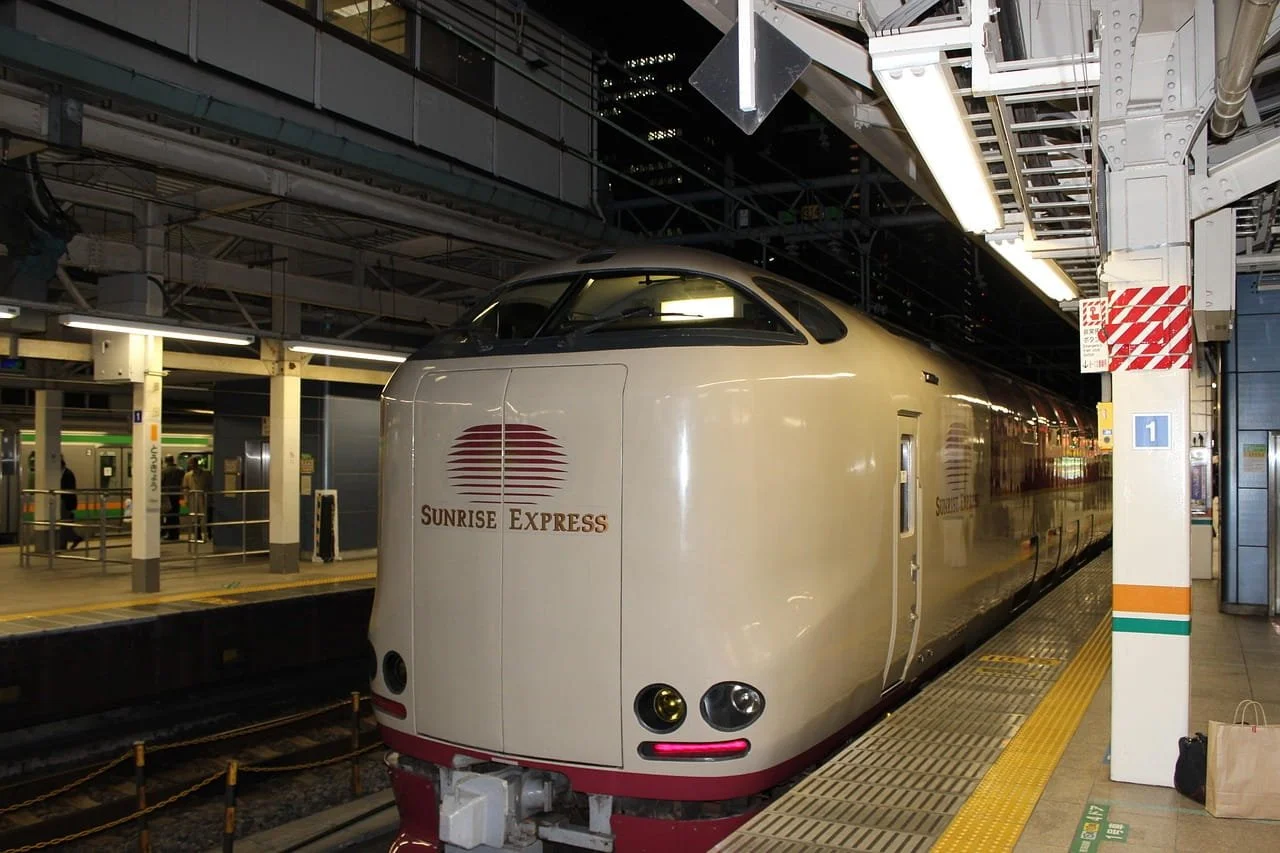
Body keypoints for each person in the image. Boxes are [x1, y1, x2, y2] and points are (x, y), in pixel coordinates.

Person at [182, 457, 213, 543]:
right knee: (195, 518)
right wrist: (186, 500)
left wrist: (210, 497)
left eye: (192, 463)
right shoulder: (187, 475)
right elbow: (185, 488)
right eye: (189, 463)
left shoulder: (206, 474)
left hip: (204, 498)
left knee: (206, 517)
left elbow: (211, 486)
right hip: (193, 499)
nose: (191, 465)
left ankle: (209, 533)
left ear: (196, 463)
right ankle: (198, 535)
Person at [59, 457, 84, 550]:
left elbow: (69, 490)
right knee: (65, 525)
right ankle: (75, 538)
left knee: (64, 525)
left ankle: (65, 543)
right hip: (64, 502)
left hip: (66, 503)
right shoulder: (64, 473)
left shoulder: (68, 474)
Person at [161, 456, 184, 541]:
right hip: (177, 495)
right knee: (176, 515)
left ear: (166, 461)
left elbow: (161, 483)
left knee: (169, 515)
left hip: (167, 495)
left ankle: (170, 534)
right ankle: (176, 533)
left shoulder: (164, 471)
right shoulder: (180, 470)